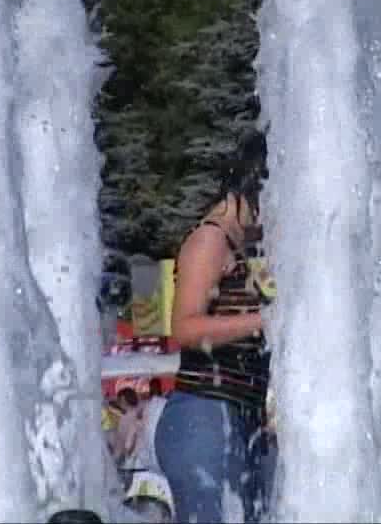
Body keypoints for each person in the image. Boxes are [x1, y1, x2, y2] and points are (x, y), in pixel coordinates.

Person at [153, 156, 270, 523]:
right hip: (203, 417)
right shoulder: (210, 239)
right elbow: (185, 328)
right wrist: (267, 320)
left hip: (237, 419)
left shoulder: (239, 246)